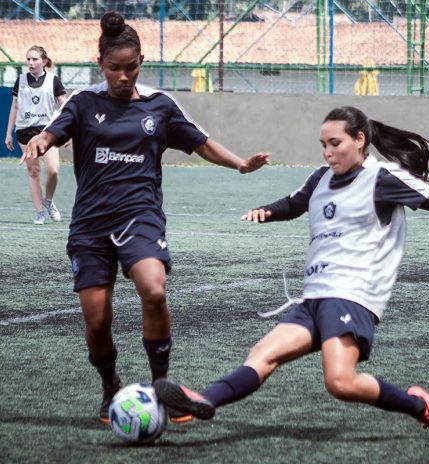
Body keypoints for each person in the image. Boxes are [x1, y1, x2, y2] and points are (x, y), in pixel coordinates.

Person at [153, 106, 429, 439]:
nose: (327, 152)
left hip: (354, 294)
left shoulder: (383, 179)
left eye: (334, 143)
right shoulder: (320, 178)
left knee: (340, 382)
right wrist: (267, 211)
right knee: (263, 355)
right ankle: (202, 400)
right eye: (322, 145)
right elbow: (295, 203)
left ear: (359, 140)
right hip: (314, 295)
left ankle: (417, 405)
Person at [21, 11, 270, 425]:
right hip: (91, 224)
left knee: (154, 290)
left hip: (141, 215)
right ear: (100, 64)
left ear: (142, 61)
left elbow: (200, 143)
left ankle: (163, 389)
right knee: (97, 321)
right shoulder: (84, 102)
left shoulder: (160, 105)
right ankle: (109, 385)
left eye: (131, 67)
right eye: (114, 68)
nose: (123, 76)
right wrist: (40, 141)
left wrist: (241, 165)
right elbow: (53, 132)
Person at [5, 46, 67, 225]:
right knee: (34, 172)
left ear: (44, 61)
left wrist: (67, 132)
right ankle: (40, 212)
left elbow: (64, 108)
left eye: (35, 59)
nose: (31, 63)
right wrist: (8, 133)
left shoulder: (53, 81)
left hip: (47, 132)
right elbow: (14, 107)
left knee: (53, 171)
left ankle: (48, 200)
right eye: (28, 59)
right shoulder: (21, 80)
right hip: (25, 131)